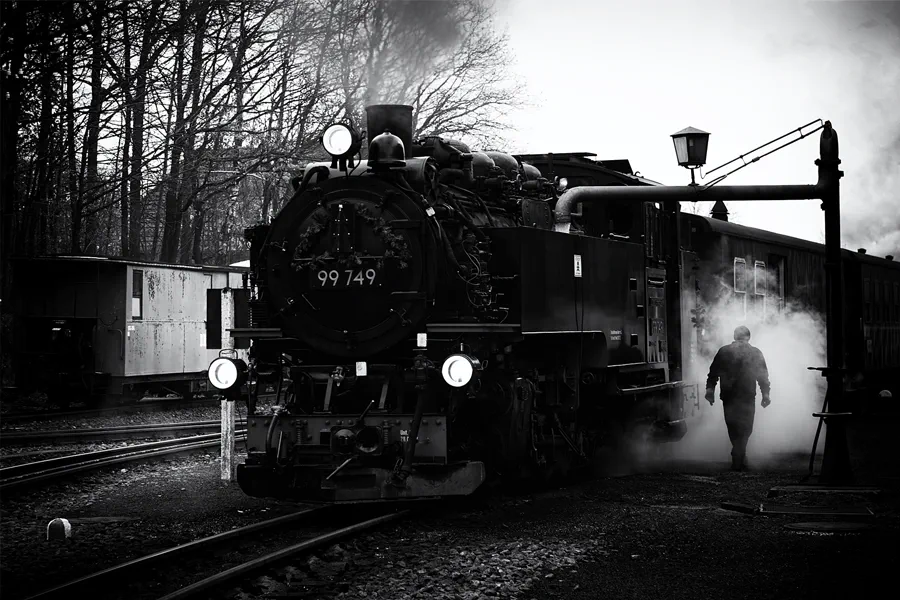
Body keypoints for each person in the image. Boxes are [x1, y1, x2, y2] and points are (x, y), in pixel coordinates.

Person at [705, 325, 771, 471]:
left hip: (729, 395)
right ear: (749, 337)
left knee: (732, 425)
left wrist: (710, 390)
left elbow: (713, 373)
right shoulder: (755, 352)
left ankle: (738, 453)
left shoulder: (724, 351)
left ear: (735, 337)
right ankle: (739, 453)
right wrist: (765, 394)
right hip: (747, 395)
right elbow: (763, 376)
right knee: (746, 426)